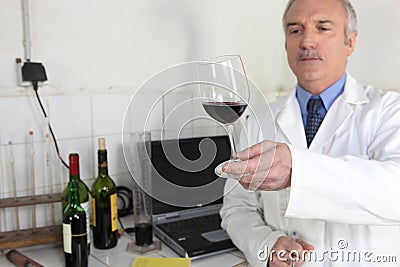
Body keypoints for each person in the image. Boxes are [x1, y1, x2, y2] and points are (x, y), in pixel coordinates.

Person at [220, 0, 400, 266]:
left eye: (323, 28)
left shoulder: (389, 111)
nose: (307, 41)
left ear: (350, 42)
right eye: (295, 30)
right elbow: (237, 208)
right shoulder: (260, 121)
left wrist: (298, 169)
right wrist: (266, 246)